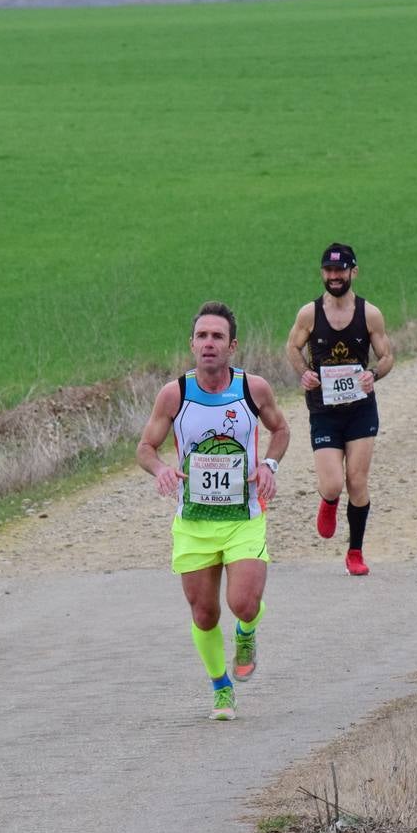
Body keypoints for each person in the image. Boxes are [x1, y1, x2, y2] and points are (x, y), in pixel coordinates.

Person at [136, 301, 291, 721]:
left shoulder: (252, 389)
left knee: (243, 602)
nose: (209, 344)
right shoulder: (175, 394)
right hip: (194, 523)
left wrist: (269, 465)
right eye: (202, 336)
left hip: (243, 517)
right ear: (192, 344)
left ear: (232, 345)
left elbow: (281, 430)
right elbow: (145, 447)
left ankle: (246, 633)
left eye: (217, 337)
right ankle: (221, 686)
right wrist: (161, 471)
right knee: (204, 613)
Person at [285, 242, 394, 576]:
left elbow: (387, 356)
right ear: (322, 273)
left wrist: (372, 374)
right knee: (333, 484)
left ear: (353, 272)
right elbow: (292, 346)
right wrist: (303, 372)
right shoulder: (309, 313)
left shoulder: (369, 314)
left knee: (357, 481)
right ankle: (329, 502)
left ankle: (355, 553)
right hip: (324, 410)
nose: (334, 277)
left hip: (360, 409)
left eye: (340, 270)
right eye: (329, 271)